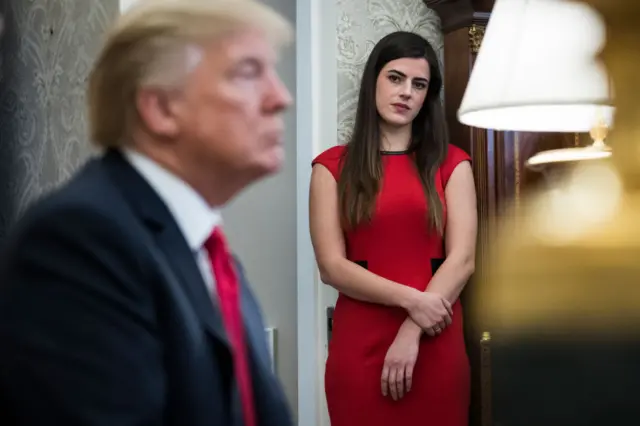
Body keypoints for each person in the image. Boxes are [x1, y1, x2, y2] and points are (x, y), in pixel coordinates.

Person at [0, 1, 293, 425]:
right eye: (248, 72)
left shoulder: (211, 251)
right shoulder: (79, 242)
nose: (281, 97)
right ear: (160, 107)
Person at [309, 31, 478, 426]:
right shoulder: (331, 167)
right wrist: (413, 301)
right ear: (373, 83)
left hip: (437, 339)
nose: (406, 93)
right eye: (395, 78)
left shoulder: (453, 163)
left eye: (419, 85)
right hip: (361, 346)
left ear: (427, 97)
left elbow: (463, 260)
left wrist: (412, 328)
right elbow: (332, 267)